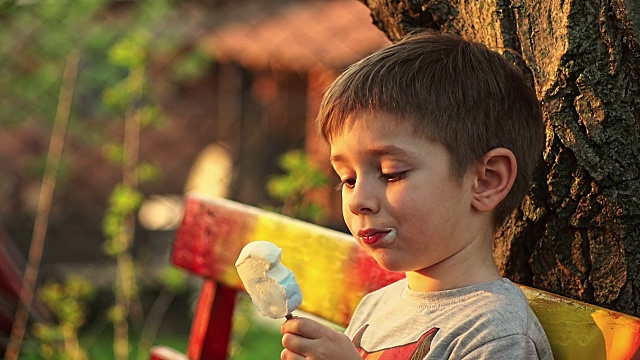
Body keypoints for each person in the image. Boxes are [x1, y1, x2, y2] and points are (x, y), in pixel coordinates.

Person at [280, 30, 554, 359]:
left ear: (486, 181)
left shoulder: (494, 333)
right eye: (348, 179)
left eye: (392, 173)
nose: (357, 200)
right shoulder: (376, 306)